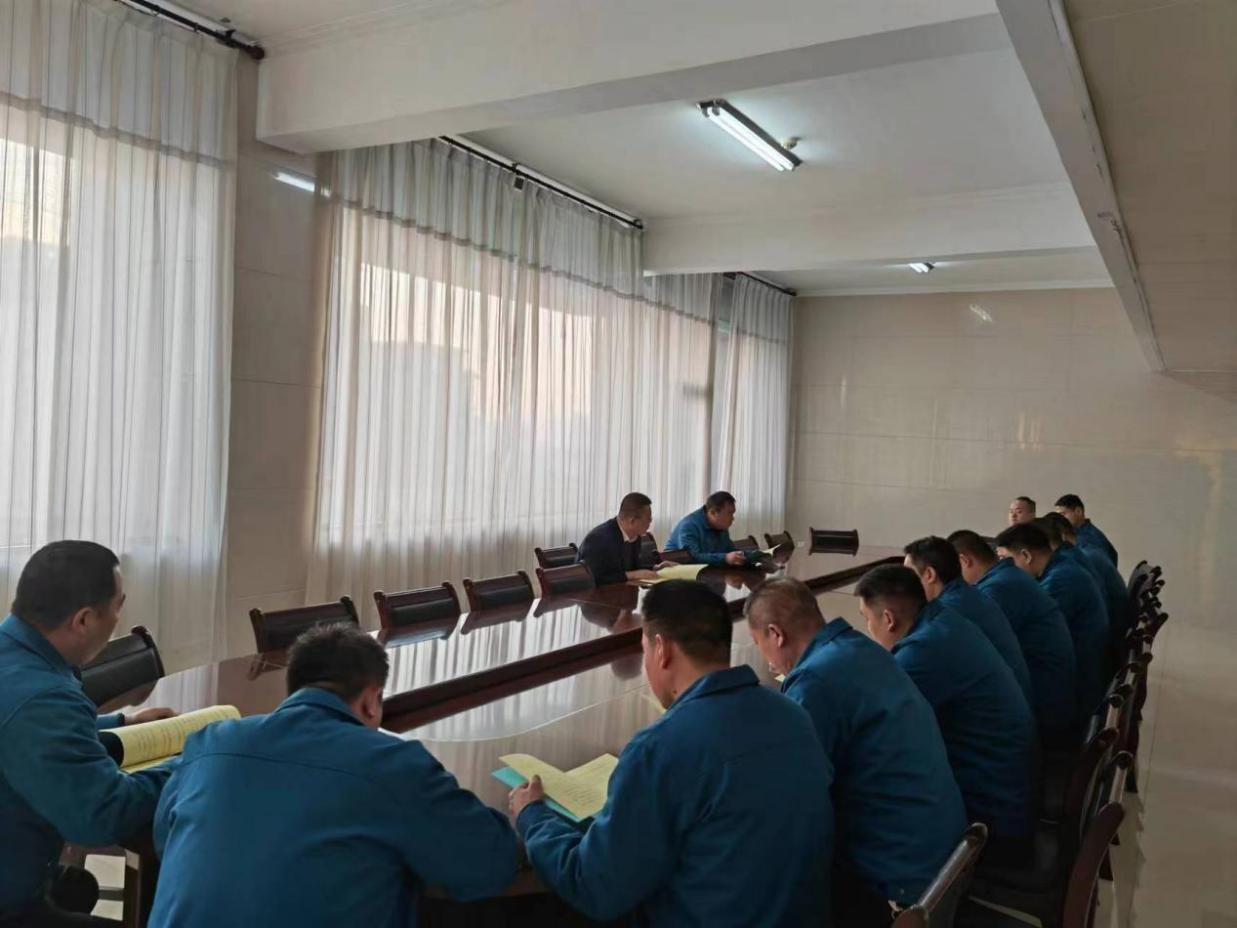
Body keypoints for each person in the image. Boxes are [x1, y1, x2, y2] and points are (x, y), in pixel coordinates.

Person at [149, 624, 519, 928]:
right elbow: (490, 865)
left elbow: (165, 839)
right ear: (372, 701)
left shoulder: (208, 743)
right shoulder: (391, 764)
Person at [510, 580, 832, 926]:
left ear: (661, 649)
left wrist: (533, 817)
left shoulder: (660, 749)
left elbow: (594, 885)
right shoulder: (793, 715)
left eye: (644, 649)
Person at [745, 578, 965, 926]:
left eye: (760, 644)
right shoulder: (858, 648)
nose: (766, 660)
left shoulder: (815, 680)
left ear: (776, 634)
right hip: (939, 853)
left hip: (899, 881)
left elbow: (793, 798)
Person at [0, 541, 177, 927]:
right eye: (118, 605)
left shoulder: (12, 654)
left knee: (80, 887)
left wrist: (122, 724)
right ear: (83, 620)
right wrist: (191, 763)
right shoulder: (43, 696)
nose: (119, 617)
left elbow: (20, 729)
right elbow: (103, 816)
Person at [856, 565, 1036, 866]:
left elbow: (875, 731)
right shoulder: (942, 622)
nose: (868, 630)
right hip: (1011, 786)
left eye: (867, 619)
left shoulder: (922, 651)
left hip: (993, 815)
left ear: (888, 619)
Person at [947, 530, 1077, 748]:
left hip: (1045, 705)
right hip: (1050, 693)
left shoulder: (998, 588)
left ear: (964, 561)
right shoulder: (1007, 578)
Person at [995, 523, 1110, 731]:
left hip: (1075, 696)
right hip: (1083, 677)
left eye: (1005, 561)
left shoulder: (1060, 580)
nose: (1001, 570)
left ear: (1026, 556)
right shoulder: (1064, 566)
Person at [902, 537, 1032, 702]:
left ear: (929, 575)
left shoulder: (950, 611)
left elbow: (910, 665)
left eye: (908, 576)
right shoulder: (965, 595)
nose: (903, 585)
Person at [1040, 513, 1133, 665]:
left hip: (1091, 661)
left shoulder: (1067, 571)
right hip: (1105, 646)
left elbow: (1047, 629)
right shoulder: (1078, 556)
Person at [575, 492, 662, 584]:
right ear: (632, 521)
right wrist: (631, 575)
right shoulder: (598, 538)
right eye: (648, 519)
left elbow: (633, 568)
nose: (650, 523)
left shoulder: (635, 536)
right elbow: (594, 578)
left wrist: (654, 568)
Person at [665, 491, 751, 566]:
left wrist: (747, 556)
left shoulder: (720, 526)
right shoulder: (689, 526)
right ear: (713, 512)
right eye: (729, 513)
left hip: (709, 572)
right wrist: (725, 558)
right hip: (678, 573)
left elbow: (729, 550)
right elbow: (693, 558)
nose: (733, 518)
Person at [1054, 494, 1118, 568]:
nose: (1059, 519)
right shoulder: (1077, 536)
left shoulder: (1090, 539)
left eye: (1063, 514)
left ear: (1078, 511)